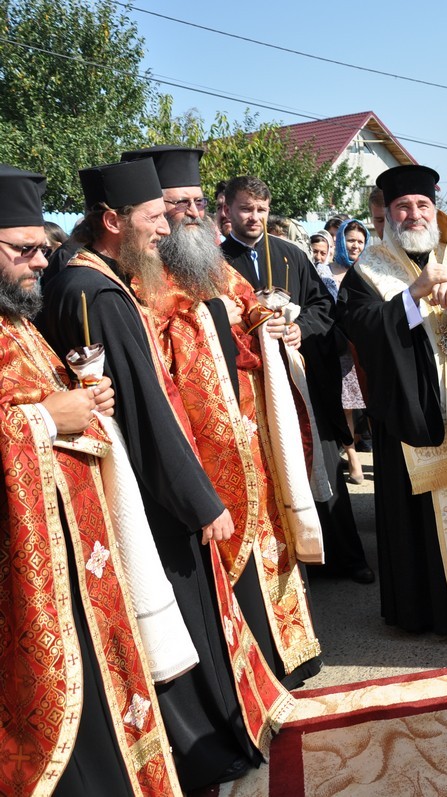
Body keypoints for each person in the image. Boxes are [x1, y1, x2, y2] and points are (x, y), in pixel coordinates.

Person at [36, 158, 267, 789]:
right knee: (173, 620)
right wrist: (200, 500)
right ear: (114, 222)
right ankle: (200, 754)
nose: (166, 228)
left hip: (148, 481)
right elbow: (143, 409)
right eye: (155, 216)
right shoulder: (97, 294)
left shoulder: (93, 279)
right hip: (149, 495)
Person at [0, 165, 182, 797]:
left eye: (41, 248)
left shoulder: (17, 320)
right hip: (22, 586)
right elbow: (35, 417)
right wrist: (47, 420)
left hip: (73, 558)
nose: (41, 262)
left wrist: (80, 402)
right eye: (24, 250)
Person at [122, 144, 324, 688]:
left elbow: (246, 302)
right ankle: (249, 673)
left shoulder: (211, 264)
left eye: (195, 201)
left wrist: (268, 319)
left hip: (254, 430)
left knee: (271, 535)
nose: (189, 212)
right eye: (176, 203)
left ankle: (291, 655)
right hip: (203, 441)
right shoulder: (143, 279)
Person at [336, 164, 447, 634]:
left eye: (422, 205)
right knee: (424, 516)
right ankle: (434, 612)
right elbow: (361, 327)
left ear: (434, 209)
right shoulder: (369, 267)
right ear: (388, 213)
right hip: (414, 417)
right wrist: (412, 296)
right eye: (402, 207)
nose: (414, 214)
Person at [219, 176, 373, 585]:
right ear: (228, 210)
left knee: (324, 464)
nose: (254, 217)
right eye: (246, 209)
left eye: (261, 209)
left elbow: (325, 307)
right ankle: (291, 566)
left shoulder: (291, 255)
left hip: (303, 382)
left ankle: (347, 557)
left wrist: (299, 328)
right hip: (251, 387)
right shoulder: (215, 263)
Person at [327, 218, 371, 483]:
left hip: (367, 347)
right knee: (346, 407)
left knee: (371, 403)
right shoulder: (324, 272)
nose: (355, 245)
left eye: (360, 241)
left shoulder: (370, 270)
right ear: (341, 241)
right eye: (351, 240)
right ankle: (353, 459)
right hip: (339, 348)